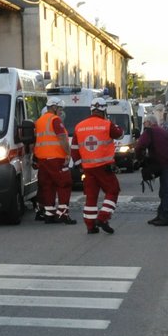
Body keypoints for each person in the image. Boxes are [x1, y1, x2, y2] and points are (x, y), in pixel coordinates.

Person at [73, 98, 122, 235]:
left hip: (88, 168)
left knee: (91, 196)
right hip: (104, 166)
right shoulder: (107, 124)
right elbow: (119, 134)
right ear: (104, 110)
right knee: (113, 191)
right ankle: (103, 218)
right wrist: (115, 125)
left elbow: (74, 149)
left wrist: (79, 165)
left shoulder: (79, 126)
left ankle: (90, 226)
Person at [133, 114, 168, 225]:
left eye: (144, 122)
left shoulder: (149, 132)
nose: (144, 125)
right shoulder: (163, 131)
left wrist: (140, 159)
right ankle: (161, 215)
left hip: (165, 164)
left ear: (149, 123)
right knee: (164, 190)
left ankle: (166, 218)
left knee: (167, 191)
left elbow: (139, 146)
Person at [33, 97, 74, 223]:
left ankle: (49, 214)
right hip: (56, 158)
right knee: (64, 184)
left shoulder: (39, 121)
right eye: (60, 108)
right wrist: (68, 153)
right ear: (55, 107)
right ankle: (63, 214)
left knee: (47, 186)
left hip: (43, 159)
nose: (61, 112)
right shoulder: (55, 120)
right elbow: (62, 138)